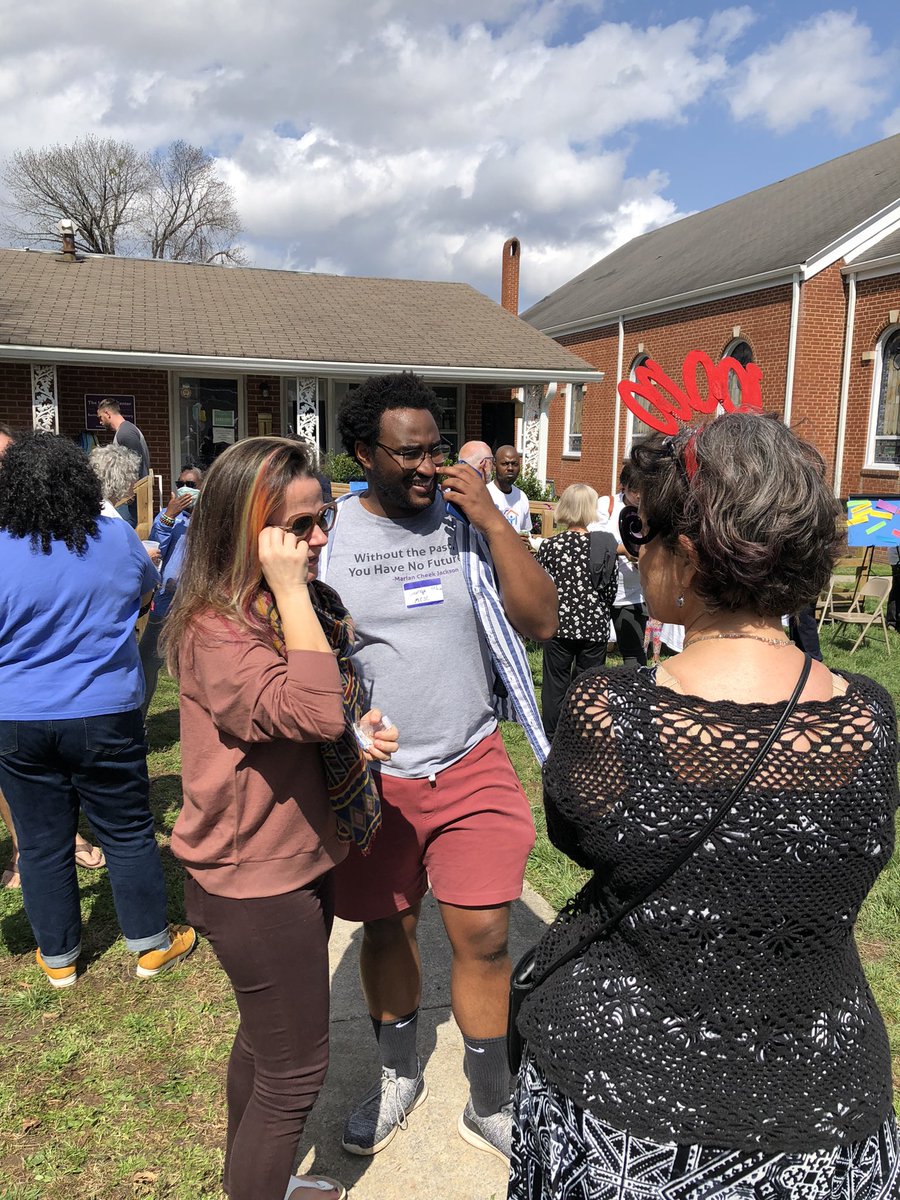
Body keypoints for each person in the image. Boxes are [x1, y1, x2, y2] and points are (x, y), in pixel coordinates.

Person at [509, 414, 899, 1200]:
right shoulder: (869, 715)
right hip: (822, 1112)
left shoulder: (610, 710)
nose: (633, 548)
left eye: (640, 529)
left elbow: (578, 837)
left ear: (684, 554)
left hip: (622, 1106)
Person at [319, 371, 557, 1163]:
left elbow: (541, 619)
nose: (428, 467)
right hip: (375, 780)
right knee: (386, 927)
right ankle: (396, 1075)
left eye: (437, 450)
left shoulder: (465, 521)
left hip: (470, 759)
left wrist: (491, 519)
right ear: (362, 452)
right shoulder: (328, 531)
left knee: (486, 933)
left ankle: (489, 1101)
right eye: (408, 453)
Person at [163, 436, 397, 1200]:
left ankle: (253, 1183)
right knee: (295, 1074)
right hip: (254, 885)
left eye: (321, 518)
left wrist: (357, 739)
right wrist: (295, 593)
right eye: (300, 527)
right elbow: (310, 705)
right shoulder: (217, 627)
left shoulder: (264, 611)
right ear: (248, 531)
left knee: (266, 1052)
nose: (320, 539)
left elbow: (311, 725)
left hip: (297, 862)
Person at [0, 432, 195, 989]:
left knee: (40, 841)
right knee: (129, 830)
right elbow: (143, 595)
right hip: (105, 708)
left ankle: (58, 956)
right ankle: (150, 946)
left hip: (17, 716)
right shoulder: (114, 538)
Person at [535, 484, 618, 740]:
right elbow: (611, 589)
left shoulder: (550, 546)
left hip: (559, 625)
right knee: (589, 685)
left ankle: (552, 734)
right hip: (594, 627)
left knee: (555, 684)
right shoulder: (604, 547)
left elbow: (539, 587)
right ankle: (583, 733)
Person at [139, 462, 204, 719]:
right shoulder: (168, 517)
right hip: (166, 602)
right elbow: (157, 546)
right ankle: (139, 720)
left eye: (192, 485)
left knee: (197, 666)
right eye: (181, 484)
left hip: (197, 603)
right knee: (147, 661)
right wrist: (168, 515)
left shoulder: (211, 516)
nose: (186, 489)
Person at [591, 462, 647, 666]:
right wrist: (627, 551)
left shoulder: (649, 510)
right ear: (624, 486)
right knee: (594, 651)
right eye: (635, 489)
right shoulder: (607, 505)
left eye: (644, 489)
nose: (640, 495)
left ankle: (638, 694)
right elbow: (596, 541)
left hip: (633, 593)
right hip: (602, 590)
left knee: (633, 653)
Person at [97, 399, 150, 526]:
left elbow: (135, 464)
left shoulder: (125, 433)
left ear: (107, 413)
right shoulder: (125, 430)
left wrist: (129, 493)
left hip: (130, 499)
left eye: (100, 417)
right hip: (130, 497)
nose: (100, 421)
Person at [89, 443, 143, 519]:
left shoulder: (89, 509)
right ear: (121, 478)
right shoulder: (112, 519)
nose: (136, 479)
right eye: (133, 472)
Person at [488, 445, 532, 534]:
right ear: (494, 465)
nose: (510, 468)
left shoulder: (521, 497)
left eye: (514, 464)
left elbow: (525, 531)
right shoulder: (486, 494)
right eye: (505, 464)